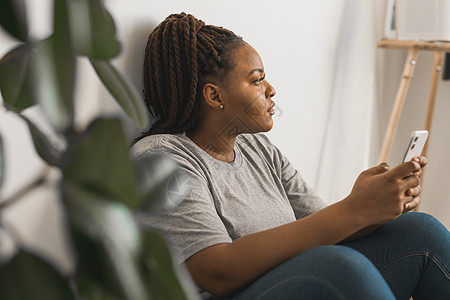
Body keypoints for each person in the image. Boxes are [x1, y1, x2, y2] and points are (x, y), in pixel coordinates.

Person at [132, 13, 450, 299]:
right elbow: (216, 271)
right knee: (339, 266)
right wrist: (354, 209)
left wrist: (374, 206)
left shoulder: (260, 150)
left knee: (420, 231)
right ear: (215, 95)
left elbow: (328, 228)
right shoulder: (162, 158)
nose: (271, 90)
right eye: (257, 80)